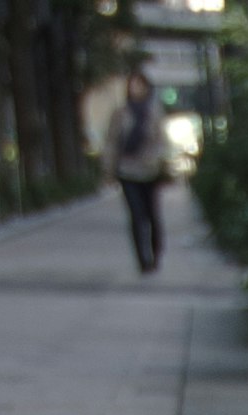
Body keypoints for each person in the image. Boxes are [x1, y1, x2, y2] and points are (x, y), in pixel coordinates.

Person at [107, 73, 170, 275]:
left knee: (152, 215)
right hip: (127, 170)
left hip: (150, 170)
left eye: (139, 85)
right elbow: (112, 142)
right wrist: (108, 169)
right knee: (136, 215)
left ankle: (155, 251)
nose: (135, 89)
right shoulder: (121, 113)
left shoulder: (154, 111)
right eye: (132, 85)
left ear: (146, 87)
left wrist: (160, 160)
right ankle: (143, 260)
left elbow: (162, 140)